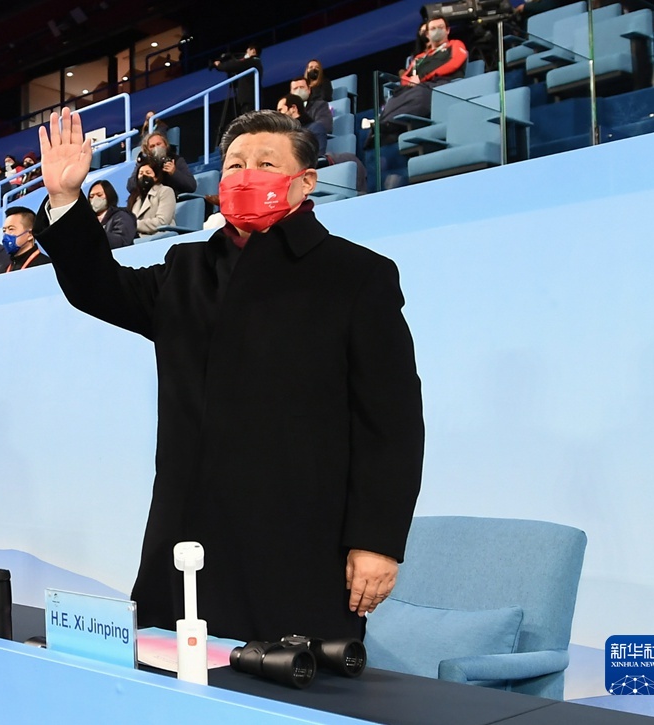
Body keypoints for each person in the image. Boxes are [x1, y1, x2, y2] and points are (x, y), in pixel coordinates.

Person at [34, 107, 424, 644]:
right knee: (165, 673)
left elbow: (391, 421)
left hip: (298, 544)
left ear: (306, 181)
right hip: (184, 539)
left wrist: (376, 540)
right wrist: (64, 199)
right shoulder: (187, 269)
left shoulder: (356, 275)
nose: (246, 175)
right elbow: (96, 287)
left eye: (266, 163)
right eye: (235, 164)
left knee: (291, 686)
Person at [374, 17, 468, 145]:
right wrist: (411, 81)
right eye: (433, 28)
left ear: (447, 30)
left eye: (440, 27)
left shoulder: (455, 44)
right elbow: (404, 78)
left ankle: (390, 125)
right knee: (395, 97)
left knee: (420, 94)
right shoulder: (420, 57)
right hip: (418, 87)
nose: (437, 31)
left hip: (442, 85)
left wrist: (423, 77)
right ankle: (382, 127)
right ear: (427, 34)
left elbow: (454, 63)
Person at [125, 132, 197, 198]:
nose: (156, 148)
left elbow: (191, 186)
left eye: (159, 144)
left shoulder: (176, 160)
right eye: (152, 146)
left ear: (166, 145)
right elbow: (130, 187)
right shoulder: (143, 163)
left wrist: (174, 172)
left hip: (171, 199)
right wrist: (142, 176)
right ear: (147, 150)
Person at [214, 45, 263, 117]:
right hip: (251, 98)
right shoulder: (256, 62)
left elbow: (235, 65)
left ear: (253, 51)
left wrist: (220, 65)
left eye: (248, 51)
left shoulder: (251, 61)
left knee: (249, 120)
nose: (246, 53)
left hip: (249, 99)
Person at [128, 163, 176, 237]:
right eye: (141, 173)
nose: (143, 176)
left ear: (156, 177)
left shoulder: (165, 191)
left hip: (160, 235)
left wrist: (134, 225)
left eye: (148, 173)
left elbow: (162, 221)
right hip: (138, 238)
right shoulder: (135, 197)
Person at [88, 180, 136, 249]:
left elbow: (123, 240)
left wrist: (95, 233)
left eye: (99, 195)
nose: (95, 199)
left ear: (109, 195)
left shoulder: (122, 216)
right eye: (91, 196)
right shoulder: (88, 220)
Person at [277, 93, 328, 157]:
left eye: (280, 110)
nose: (278, 115)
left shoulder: (315, 128)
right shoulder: (283, 135)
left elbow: (319, 155)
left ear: (293, 108)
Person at [2, 206, 51, 271]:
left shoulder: (45, 265)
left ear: (30, 234)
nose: (6, 234)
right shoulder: (6, 267)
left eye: (11, 229)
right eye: (4, 230)